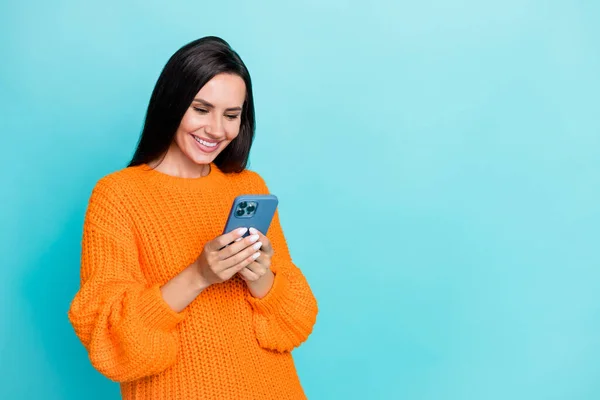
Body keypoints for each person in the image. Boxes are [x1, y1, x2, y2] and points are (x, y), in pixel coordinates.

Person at [67, 36, 319, 400]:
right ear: (172, 104)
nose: (217, 130)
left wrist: (260, 276)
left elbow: (295, 322)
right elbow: (111, 340)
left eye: (231, 115)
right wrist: (199, 275)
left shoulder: (248, 187)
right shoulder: (118, 195)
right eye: (201, 109)